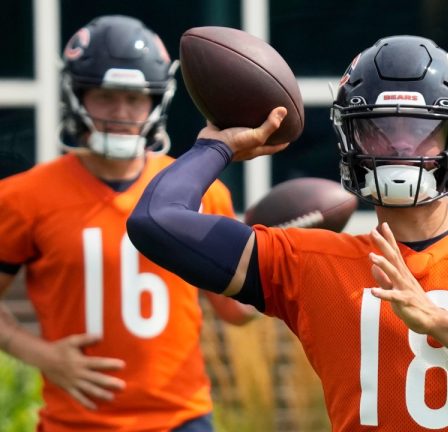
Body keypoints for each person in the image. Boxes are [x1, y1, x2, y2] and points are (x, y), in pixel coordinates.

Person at [127, 35, 448, 431]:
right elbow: (155, 221)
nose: (399, 148)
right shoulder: (309, 261)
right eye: (378, 131)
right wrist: (216, 146)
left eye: (420, 131)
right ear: (349, 140)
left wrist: (444, 324)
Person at [0, 15, 256, 432]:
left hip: (181, 418)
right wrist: (41, 355)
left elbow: (234, 311)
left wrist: (278, 264)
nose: (121, 112)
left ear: (157, 102)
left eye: (136, 98)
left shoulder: (201, 189)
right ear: (77, 96)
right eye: (106, 96)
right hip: (75, 421)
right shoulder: (25, 196)